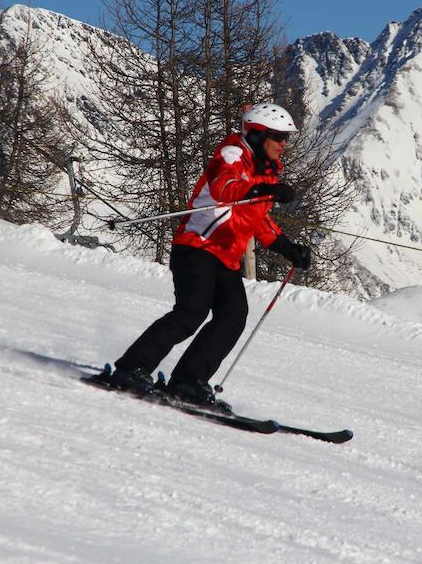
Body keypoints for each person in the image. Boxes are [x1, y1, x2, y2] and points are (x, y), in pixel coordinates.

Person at [100, 103, 312, 411]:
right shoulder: (232, 152)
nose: (283, 144)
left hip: (226, 257)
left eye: (286, 138)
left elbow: (257, 219)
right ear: (257, 136)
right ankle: (131, 368)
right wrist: (267, 187)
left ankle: (188, 379)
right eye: (278, 137)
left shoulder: (266, 169)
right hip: (197, 247)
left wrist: (287, 247)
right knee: (191, 312)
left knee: (233, 316)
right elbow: (225, 188)